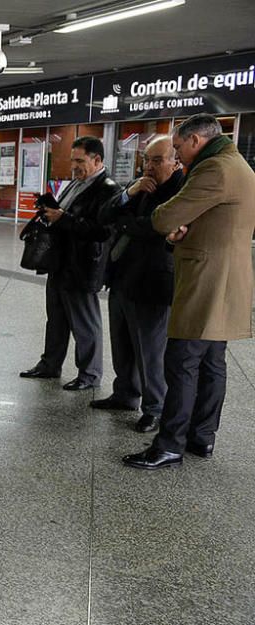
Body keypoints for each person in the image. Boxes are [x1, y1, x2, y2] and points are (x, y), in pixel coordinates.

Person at [123, 114, 255, 470]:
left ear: (196, 140)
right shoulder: (237, 164)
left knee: (181, 361)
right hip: (228, 278)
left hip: (207, 279)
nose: (178, 157)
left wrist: (168, 226)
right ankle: (202, 436)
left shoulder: (214, 168)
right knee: (212, 362)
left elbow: (165, 217)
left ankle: (169, 445)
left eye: (179, 148)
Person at [95, 136, 183, 433]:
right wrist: (129, 193)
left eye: (157, 160)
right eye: (146, 159)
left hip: (152, 283)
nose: (149, 166)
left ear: (176, 161)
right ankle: (125, 394)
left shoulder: (180, 189)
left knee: (149, 351)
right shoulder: (141, 185)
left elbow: (156, 227)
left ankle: (155, 408)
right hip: (122, 278)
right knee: (122, 344)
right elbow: (106, 214)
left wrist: (126, 222)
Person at [20, 136, 120, 390]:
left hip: (83, 266)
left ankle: (89, 374)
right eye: (72, 159)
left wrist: (63, 218)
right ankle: (50, 364)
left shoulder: (108, 189)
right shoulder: (75, 184)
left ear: (97, 160)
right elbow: (67, 215)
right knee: (56, 318)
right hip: (61, 263)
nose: (73, 165)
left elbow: (103, 231)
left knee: (84, 322)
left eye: (79, 160)